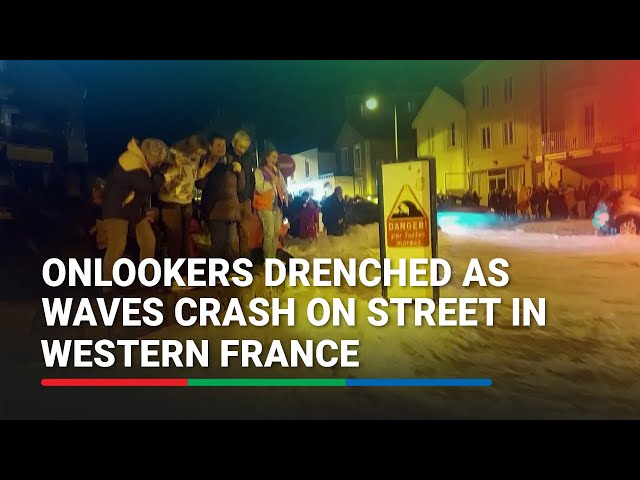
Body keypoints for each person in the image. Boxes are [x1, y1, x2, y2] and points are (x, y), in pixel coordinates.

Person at [102, 138, 168, 290]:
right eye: (158, 162)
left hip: (134, 210)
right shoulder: (133, 164)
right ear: (150, 157)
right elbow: (149, 187)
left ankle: (147, 280)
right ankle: (108, 285)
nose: (158, 165)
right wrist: (159, 175)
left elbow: (140, 192)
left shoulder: (139, 163)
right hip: (117, 210)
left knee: (148, 240)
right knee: (117, 245)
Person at [158, 134, 213, 282]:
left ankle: (185, 275)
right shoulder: (174, 153)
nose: (197, 156)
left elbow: (194, 175)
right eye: (197, 153)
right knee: (174, 240)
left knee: (185, 240)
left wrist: (206, 168)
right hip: (171, 200)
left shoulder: (196, 157)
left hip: (187, 201)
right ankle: (174, 277)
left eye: (201, 155)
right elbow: (163, 174)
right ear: (191, 147)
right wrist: (174, 165)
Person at [200, 133, 245, 262]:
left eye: (223, 145)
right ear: (210, 147)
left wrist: (240, 172)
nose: (222, 148)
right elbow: (200, 185)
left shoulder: (232, 161)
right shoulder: (206, 162)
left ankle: (228, 273)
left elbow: (240, 187)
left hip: (232, 210)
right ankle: (213, 275)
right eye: (218, 145)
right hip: (215, 211)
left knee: (230, 244)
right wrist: (205, 169)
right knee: (218, 245)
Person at [253, 148, 288, 260]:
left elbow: (283, 185)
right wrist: (271, 182)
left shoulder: (277, 171)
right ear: (266, 157)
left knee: (276, 233)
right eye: (273, 157)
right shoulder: (259, 171)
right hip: (264, 205)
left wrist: (285, 195)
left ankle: (272, 258)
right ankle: (268, 259)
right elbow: (259, 188)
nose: (275, 160)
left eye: (276, 157)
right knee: (269, 233)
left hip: (276, 206)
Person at [226, 130, 253, 259]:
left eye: (245, 148)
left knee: (245, 233)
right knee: (232, 236)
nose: (243, 150)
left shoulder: (248, 158)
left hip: (245, 199)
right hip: (232, 200)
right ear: (233, 143)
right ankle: (234, 263)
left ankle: (245, 261)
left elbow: (250, 178)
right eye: (240, 147)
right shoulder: (227, 156)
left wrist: (249, 196)